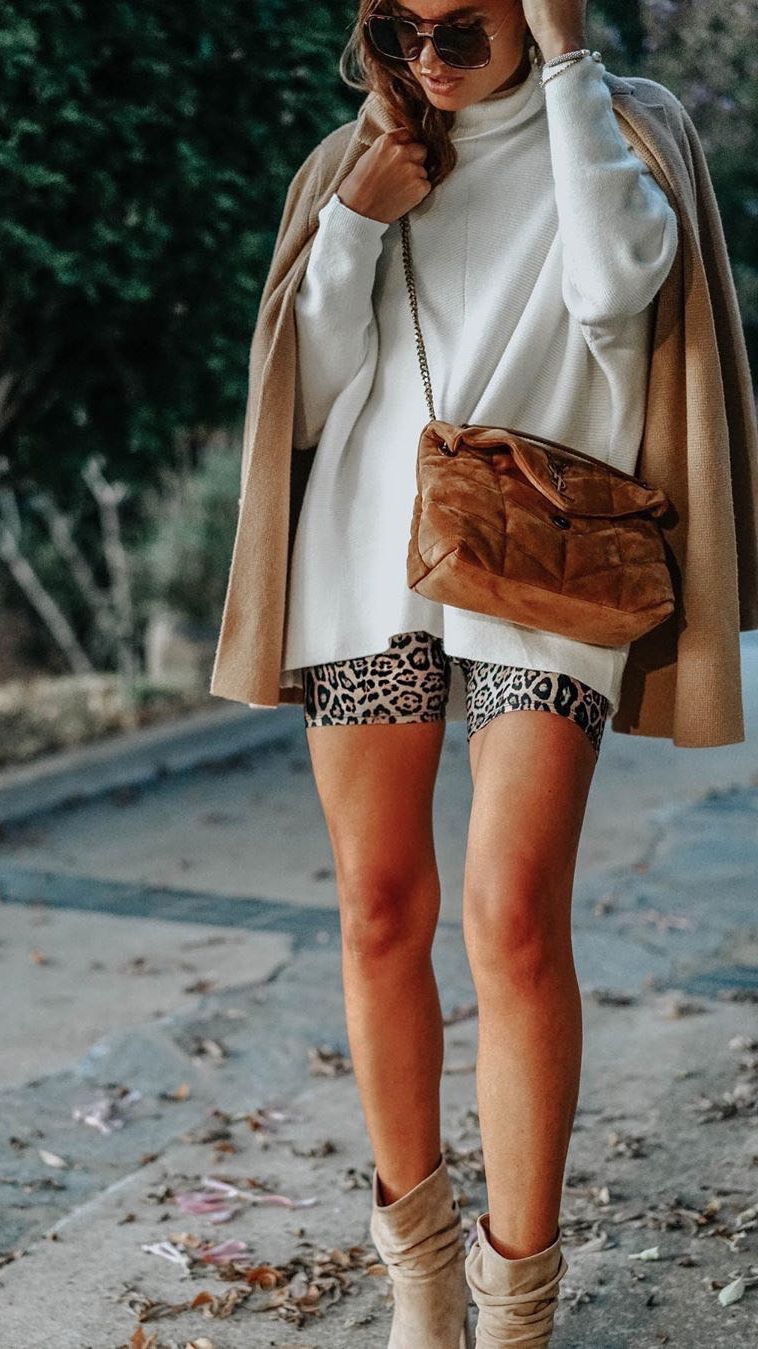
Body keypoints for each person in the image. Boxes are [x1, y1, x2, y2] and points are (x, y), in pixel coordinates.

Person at [284, 2, 679, 1345]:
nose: (428, 62)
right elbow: (308, 398)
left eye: (462, 30)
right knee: (380, 911)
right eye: (397, 30)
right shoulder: (359, 159)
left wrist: (568, 67)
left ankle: (518, 1309)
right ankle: (423, 1280)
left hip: (548, 563)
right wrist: (354, 222)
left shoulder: (621, 131)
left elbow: (616, 291)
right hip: (365, 559)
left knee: (512, 918)